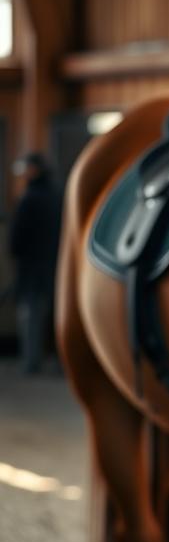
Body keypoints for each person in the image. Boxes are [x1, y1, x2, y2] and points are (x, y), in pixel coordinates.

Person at [9, 151, 61, 375]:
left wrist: (16, 253)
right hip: (56, 264)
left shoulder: (29, 198)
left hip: (32, 267)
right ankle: (61, 362)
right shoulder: (57, 194)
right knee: (55, 316)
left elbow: (18, 236)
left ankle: (32, 363)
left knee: (31, 317)